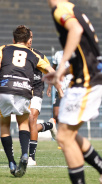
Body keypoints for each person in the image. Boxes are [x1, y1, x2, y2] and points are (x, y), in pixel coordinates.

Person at [44, 1, 102, 183]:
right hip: (88, 76)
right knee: (67, 134)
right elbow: (86, 53)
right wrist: (62, 71)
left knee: (63, 137)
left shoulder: (60, 9)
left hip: (87, 80)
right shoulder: (72, 8)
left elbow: (76, 31)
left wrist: (61, 64)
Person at [0, 25, 55, 177]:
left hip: (5, 88)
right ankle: (25, 154)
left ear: (13, 39)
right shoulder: (34, 55)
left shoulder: (4, 48)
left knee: (4, 124)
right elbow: (50, 71)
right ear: (28, 40)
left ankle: (11, 162)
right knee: (23, 123)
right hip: (24, 89)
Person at [26, 29, 62, 166]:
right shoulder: (13, 54)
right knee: (27, 127)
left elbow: (49, 71)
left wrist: (51, 86)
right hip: (20, 91)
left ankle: (31, 158)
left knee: (31, 120)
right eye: (28, 37)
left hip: (36, 89)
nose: (30, 40)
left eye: (31, 37)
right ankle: (50, 125)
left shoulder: (39, 55)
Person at [52, 50, 72, 123]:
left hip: (71, 90)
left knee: (69, 116)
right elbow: (52, 70)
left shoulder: (75, 54)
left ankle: (67, 133)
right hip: (60, 89)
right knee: (56, 115)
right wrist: (50, 86)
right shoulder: (58, 54)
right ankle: (54, 132)